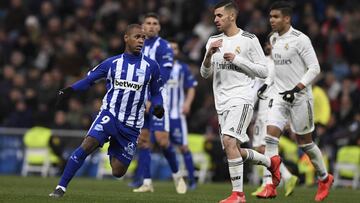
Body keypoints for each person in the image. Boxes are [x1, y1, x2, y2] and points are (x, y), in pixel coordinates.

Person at [49, 24, 165, 198]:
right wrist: (69, 90)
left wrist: (158, 106)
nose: (141, 40)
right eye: (137, 37)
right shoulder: (112, 63)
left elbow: (156, 94)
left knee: (118, 171)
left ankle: (113, 147)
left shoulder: (151, 66)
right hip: (109, 115)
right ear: (126, 38)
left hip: (131, 126)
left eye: (143, 38)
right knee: (87, 144)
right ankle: (60, 188)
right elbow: (89, 81)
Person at [200, 1, 281, 202]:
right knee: (232, 148)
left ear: (232, 16)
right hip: (222, 102)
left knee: (229, 142)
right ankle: (270, 163)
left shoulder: (249, 39)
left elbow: (263, 71)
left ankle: (238, 195)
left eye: (219, 15)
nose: (215, 19)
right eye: (215, 16)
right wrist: (209, 55)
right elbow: (204, 73)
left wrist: (237, 60)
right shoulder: (213, 40)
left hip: (242, 98)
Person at [257, 1, 333, 201]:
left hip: (300, 98)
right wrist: (267, 83)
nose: (271, 20)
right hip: (279, 97)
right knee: (270, 138)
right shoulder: (273, 39)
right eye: (270, 16)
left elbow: (315, 68)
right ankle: (270, 184)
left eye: (275, 17)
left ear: (287, 18)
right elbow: (275, 66)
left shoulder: (301, 39)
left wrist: (297, 87)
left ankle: (324, 178)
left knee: (305, 143)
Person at [132, 13, 187, 194]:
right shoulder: (136, 45)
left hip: (158, 99)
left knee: (163, 141)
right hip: (140, 100)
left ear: (159, 27)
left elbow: (164, 75)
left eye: (155, 23)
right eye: (148, 23)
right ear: (142, 26)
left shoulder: (164, 47)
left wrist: (150, 97)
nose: (151, 26)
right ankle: (147, 182)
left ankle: (177, 175)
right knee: (144, 141)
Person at [251, 40, 299, 198]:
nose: (268, 46)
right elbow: (256, 83)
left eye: (272, 43)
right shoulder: (264, 61)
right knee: (260, 148)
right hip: (262, 108)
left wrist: (288, 117)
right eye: (268, 43)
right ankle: (285, 177)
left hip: (271, 109)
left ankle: (269, 183)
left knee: (264, 148)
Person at [167, 40, 198, 189]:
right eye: (170, 48)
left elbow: (191, 87)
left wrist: (187, 104)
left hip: (176, 115)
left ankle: (192, 180)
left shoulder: (182, 68)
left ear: (178, 51)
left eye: (175, 48)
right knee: (146, 143)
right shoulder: (157, 67)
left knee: (183, 147)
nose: (172, 50)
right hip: (159, 115)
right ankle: (140, 179)